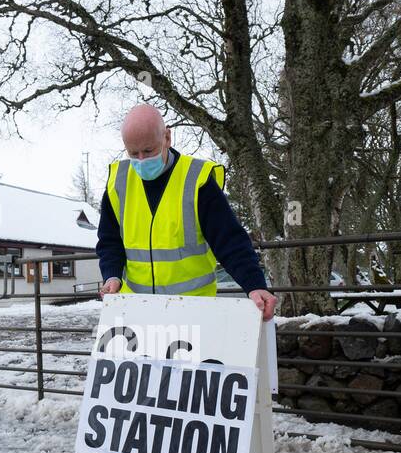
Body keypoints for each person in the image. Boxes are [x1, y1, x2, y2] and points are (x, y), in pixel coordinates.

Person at [96, 104, 278, 321]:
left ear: (167, 137)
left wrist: (254, 285)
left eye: (149, 150)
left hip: (194, 312)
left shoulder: (197, 180)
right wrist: (112, 275)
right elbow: (110, 241)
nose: (142, 160)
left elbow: (230, 241)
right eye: (133, 153)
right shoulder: (119, 182)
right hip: (140, 312)